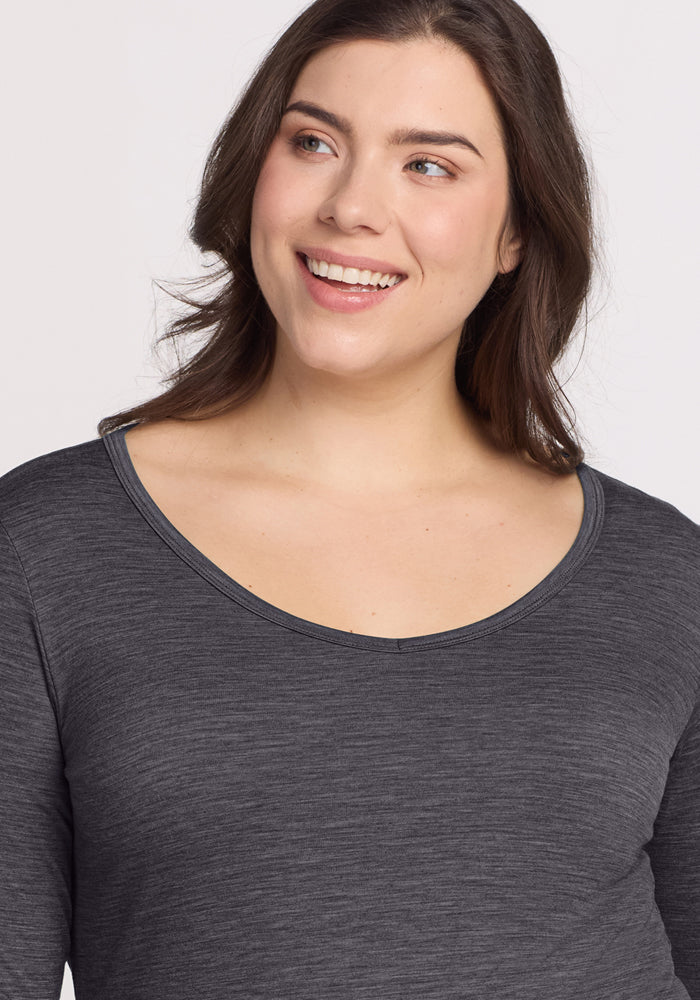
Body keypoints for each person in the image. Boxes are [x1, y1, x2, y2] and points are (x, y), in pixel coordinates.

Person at [1, 0, 698, 996]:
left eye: (429, 165)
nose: (351, 207)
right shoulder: (45, 553)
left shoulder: (664, 576)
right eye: (314, 142)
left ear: (516, 230)